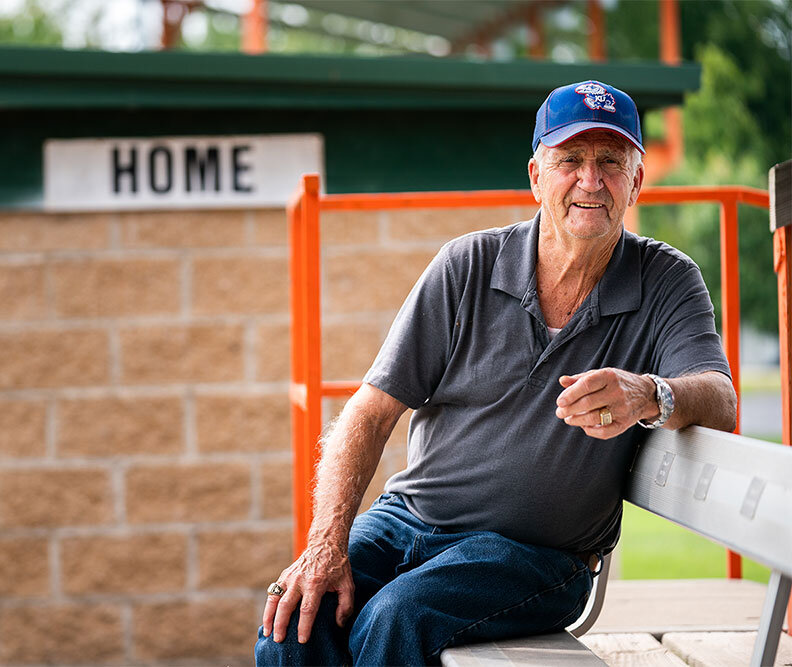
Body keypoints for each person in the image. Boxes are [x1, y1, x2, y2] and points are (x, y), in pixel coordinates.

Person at [254, 80, 737, 666]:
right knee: (293, 621)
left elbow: (719, 399)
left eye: (611, 162)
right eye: (570, 161)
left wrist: (650, 394)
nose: (591, 180)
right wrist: (324, 544)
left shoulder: (667, 279)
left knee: (395, 619)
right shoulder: (467, 265)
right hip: (408, 520)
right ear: (536, 176)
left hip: (537, 557)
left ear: (636, 180)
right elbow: (370, 411)